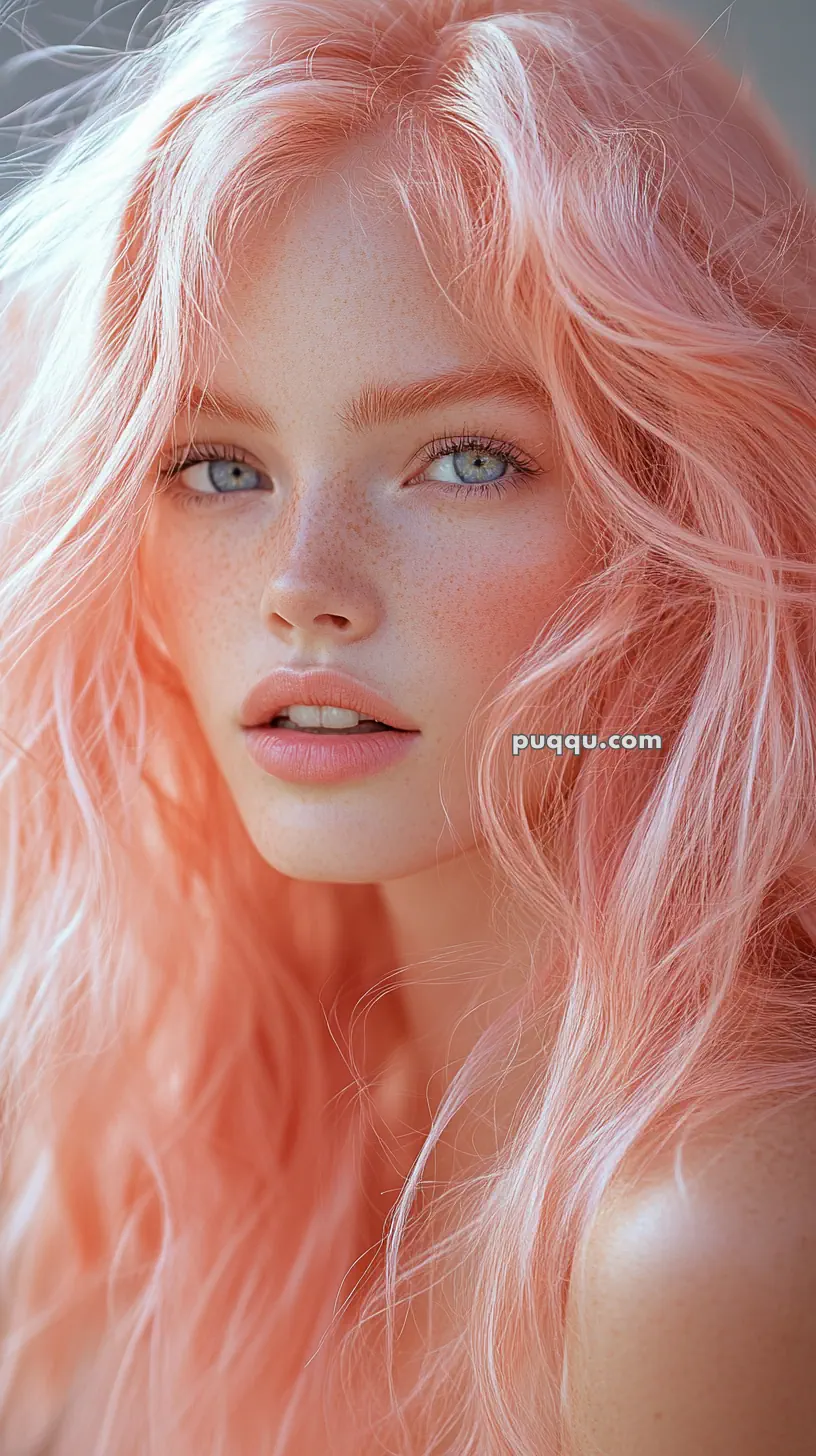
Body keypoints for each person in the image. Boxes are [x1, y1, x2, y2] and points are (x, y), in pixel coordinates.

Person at [1, 0, 816, 1450]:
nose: (305, 589)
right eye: (214, 465)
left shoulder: (706, 1242)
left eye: (464, 459)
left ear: (685, 520)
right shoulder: (244, 1147)